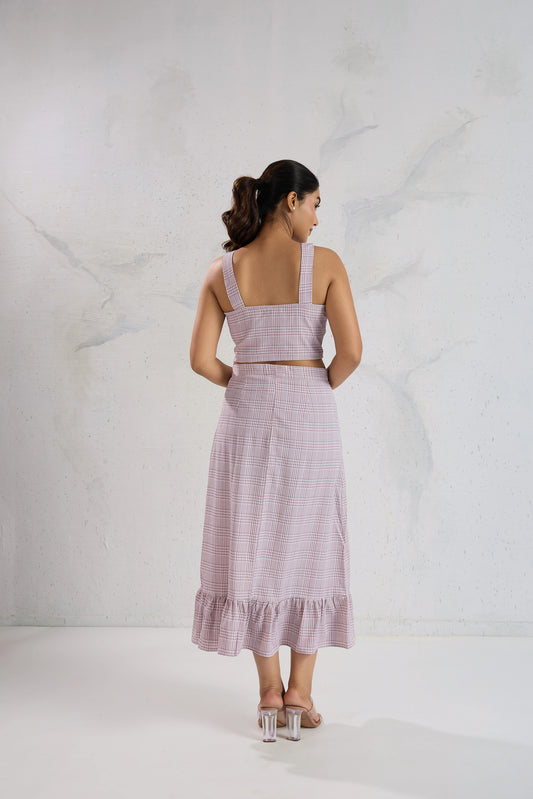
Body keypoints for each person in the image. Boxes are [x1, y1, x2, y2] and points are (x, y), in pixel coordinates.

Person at [189, 159, 362, 741]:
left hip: (245, 419)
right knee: (313, 541)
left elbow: (201, 360)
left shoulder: (222, 271)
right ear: (290, 201)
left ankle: (267, 693)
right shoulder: (326, 264)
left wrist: (245, 381)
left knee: (254, 543)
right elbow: (352, 353)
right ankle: (301, 695)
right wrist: (314, 387)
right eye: (314, 204)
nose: (316, 218)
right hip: (311, 417)